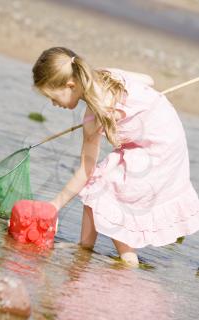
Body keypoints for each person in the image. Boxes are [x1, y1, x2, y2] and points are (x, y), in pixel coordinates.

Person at [32, 46, 199, 267]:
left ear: (70, 85)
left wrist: (55, 205)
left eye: (53, 97)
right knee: (98, 183)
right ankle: (84, 249)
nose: (54, 104)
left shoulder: (93, 116)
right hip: (170, 133)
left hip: (158, 150)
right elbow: (147, 79)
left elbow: (85, 169)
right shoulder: (105, 74)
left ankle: (128, 259)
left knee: (104, 185)